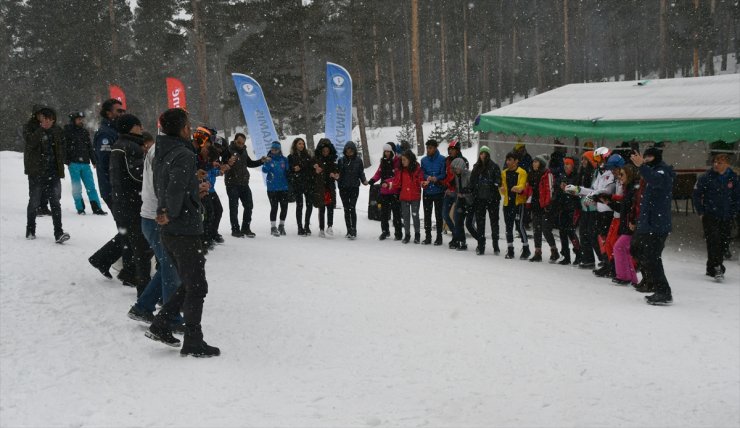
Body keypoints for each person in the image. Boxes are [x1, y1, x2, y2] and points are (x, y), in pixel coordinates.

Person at [146, 108, 219, 357]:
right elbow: (173, 189)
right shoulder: (184, 154)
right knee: (197, 286)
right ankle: (193, 341)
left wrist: (190, 194)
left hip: (171, 229)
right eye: (189, 125)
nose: (191, 129)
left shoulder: (162, 151)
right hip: (183, 229)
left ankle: (161, 323)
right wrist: (170, 209)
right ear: (184, 128)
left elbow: (165, 186)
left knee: (189, 284)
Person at [127, 132, 184, 332]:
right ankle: (171, 318)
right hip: (156, 218)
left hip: (152, 217)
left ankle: (143, 307)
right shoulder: (160, 152)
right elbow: (162, 187)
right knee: (171, 267)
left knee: (169, 265)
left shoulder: (158, 150)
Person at [88, 99, 134, 283]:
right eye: (118, 110)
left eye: (124, 110)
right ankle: (130, 273)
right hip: (114, 190)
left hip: (122, 190)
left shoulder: (117, 131)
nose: (122, 113)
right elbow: (108, 166)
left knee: (129, 230)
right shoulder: (105, 134)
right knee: (129, 230)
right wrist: (116, 190)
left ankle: (102, 259)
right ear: (108, 113)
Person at [109, 114, 152, 296]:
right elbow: (138, 175)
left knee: (135, 245)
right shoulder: (130, 146)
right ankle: (144, 291)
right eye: (137, 125)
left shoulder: (119, 145)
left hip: (122, 202)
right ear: (130, 127)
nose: (141, 127)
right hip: (133, 203)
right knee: (142, 249)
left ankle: (130, 275)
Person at [630, 147, 675, 306]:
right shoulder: (650, 172)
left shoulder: (663, 172)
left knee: (652, 257)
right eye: (645, 156)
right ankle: (653, 283)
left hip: (657, 225)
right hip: (647, 223)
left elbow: (656, 180)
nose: (646, 159)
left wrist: (642, 166)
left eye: (649, 156)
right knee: (637, 250)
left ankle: (663, 291)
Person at [23, 105, 69, 243]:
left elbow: (63, 148)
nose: (47, 121)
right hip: (36, 172)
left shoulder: (58, 131)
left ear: (54, 120)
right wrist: (40, 130)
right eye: (44, 118)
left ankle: (58, 233)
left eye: (50, 119)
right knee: (34, 201)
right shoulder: (30, 128)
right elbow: (30, 143)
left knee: (55, 202)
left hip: (53, 172)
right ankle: (30, 229)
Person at [692, 153, 740, 281]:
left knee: (723, 242)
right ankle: (718, 267)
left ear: (727, 164)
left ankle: (710, 267)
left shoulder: (733, 178)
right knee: (713, 241)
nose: (716, 165)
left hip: (726, 216)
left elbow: (737, 197)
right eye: (715, 162)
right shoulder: (707, 177)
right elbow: (696, 195)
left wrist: (734, 212)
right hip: (710, 215)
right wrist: (701, 212)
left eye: (720, 163)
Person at [63, 111, 106, 215]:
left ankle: (97, 208)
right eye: (78, 119)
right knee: (77, 188)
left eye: (81, 119)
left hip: (86, 163)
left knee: (91, 187)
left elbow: (89, 147)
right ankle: (80, 208)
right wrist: (67, 161)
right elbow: (63, 147)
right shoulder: (67, 131)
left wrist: (94, 160)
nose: (81, 120)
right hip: (74, 164)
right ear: (73, 120)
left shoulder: (84, 131)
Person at [223, 133, 266, 238]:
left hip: (244, 183)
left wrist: (261, 161)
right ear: (234, 140)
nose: (241, 145)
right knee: (234, 207)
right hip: (232, 183)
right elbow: (222, 163)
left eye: (243, 143)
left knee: (249, 205)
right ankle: (235, 229)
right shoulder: (228, 150)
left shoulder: (244, 151)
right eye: (239, 142)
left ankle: (245, 228)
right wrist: (227, 162)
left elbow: (249, 163)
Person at [605, 164, 641, 286]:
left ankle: (624, 276)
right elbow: (623, 208)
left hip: (631, 226)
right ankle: (631, 277)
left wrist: (633, 221)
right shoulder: (628, 189)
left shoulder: (633, 190)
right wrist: (609, 203)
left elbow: (634, 208)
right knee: (623, 249)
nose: (619, 177)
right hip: (627, 224)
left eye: (622, 174)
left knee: (619, 247)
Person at [469, 146, 501, 255]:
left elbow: (498, 180)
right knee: (480, 223)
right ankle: (481, 245)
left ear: (488, 154)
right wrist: (471, 191)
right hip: (480, 199)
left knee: (494, 222)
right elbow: (472, 182)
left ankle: (495, 245)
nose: (483, 155)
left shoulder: (494, 166)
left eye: (485, 153)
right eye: (481, 153)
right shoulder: (476, 167)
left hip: (493, 199)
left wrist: (493, 184)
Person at [526, 154, 558, 262]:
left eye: (536, 161)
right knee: (536, 230)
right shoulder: (531, 174)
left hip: (544, 206)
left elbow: (550, 190)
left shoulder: (547, 174)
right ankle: (537, 252)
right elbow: (529, 189)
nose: (534, 163)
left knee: (545, 230)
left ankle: (554, 250)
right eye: (533, 162)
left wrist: (547, 204)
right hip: (535, 205)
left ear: (541, 163)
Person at [369, 143, 403, 241]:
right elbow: (378, 173)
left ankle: (398, 233)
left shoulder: (397, 162)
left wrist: (387, 182)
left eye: (388, 151)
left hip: (394, 191)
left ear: (392, 152)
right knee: (384, 214)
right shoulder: (383, 161)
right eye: (385, 151)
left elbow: (397, 177)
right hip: (384, 192)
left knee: (396, 214)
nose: (387, 153)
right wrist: (372, 180)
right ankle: (385, 231)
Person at [390, 150, 425, 244]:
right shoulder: (401, 170)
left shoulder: (417, 169)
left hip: (415, 196)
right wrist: (389, 184)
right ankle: (407, 235)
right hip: (404, 197)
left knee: (415, 215)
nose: (403, 162)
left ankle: (417, 235)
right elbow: (397, 183)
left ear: (410, 159)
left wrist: (423, 183)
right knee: (406, 217)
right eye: (402, 160)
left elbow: (421, 180)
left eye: (404, 160)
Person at [499, 152, 530, 259]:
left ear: (516, 161)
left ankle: (526, 248)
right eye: (507, 160)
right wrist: (502, 190)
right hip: (507, 204)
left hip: (518, 204)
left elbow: (522, 186)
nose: (508, 162)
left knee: (519, 226)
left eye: (510, 160)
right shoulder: (504, 173)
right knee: (508, 226)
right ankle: (510, 249)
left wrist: (518, 188)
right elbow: (503, 190)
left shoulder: (522, 172)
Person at [337, 141, 368, 239]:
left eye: (351, 150)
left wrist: (364, 180)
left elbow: (361, 172)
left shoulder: (358, 160)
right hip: (343, 188)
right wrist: (337, 177)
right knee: (346, 209)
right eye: (347, 150)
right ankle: (348, 230)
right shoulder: (341, 160)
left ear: (354, 150)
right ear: (345, 150)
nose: (349, 152)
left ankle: (354, 230)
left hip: (354, 187)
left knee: (352, 208)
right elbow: (338, 174)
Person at [553, 157, 582, 265]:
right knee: (562, 232)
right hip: (563, 207)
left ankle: (579, 254)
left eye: (568, 164)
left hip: (573, 208)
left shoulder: (576, 177)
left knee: (571, 232)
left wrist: (567, 189)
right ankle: (566, 255)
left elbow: (578, 192)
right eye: (565, 164)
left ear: (573, 166)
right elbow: (556, 189)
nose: (566, 166)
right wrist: (559, 188)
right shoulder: (562, 176)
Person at [440, 140, 468, 248]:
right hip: (448, 192)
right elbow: (445, 175)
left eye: (453, 149)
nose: (450, 151)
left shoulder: (463, 161)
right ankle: (456, 236)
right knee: (445, 215)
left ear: (458, 150)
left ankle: (458, 239)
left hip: (457, 193)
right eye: (449, 149)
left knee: (457, 218)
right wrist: (445, 185)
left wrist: (451, 186)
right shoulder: (446, 160)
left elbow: (462, 177)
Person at [420, 139, 447, 245]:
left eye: (430, 148)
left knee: (438, 215)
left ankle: (439, 238)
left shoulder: (442, 159)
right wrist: (427, 177)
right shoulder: (423, 160)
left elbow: (444, 174)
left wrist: (437, 178)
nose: (428, 150)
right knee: (427, 215)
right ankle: (428, 237)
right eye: (427, 148)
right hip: (427, 191)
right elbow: (422, 173)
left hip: (438, 191)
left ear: (435, 148)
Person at [287, 137, 315, 236]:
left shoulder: (308, 155)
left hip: (308, 183)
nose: (302, 145)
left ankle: (307, 225)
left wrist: (311, 167)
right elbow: (288, 170)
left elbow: (311, 167)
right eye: (299, 143)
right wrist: (293, 169)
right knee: (299, 206)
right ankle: (300, 227)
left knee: (309, 205)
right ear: (295, 145)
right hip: (297, 184)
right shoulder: (290, 156)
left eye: (303, 143)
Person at [312, 138, 339, 237]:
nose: (325, 153)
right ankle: (321, 229)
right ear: (320, 151)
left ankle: (330, 226)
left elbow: (338, 175)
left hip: (330, 188)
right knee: (321, 208)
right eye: (323, 151)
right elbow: (310, 173)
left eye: (327, 151)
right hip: (320, 188)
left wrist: (335, 175)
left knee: (330, 208)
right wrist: (315, 171)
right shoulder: (315, 160)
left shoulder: (333, 161)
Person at [262, 141, 290, 236]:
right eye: (273, 149)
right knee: (274, 207)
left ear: (279, 150)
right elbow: (264, 170)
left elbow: (288, 171)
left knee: (284, 207)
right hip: (272, 188)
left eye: (276, 149)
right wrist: (267, 162)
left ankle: (281, 225)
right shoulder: (269, 159)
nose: (274, 151)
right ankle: (273, 227)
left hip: (283, 187)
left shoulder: (284, 159)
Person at [451, 157, 475, 251]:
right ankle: (462, 242)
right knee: (457, 220)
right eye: (454, 169)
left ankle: (480, 240)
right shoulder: (457, 176)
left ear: (461, 167)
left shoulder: (469, 175)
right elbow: (457, 188)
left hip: (470, 202)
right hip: (460, 201)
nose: (456, 170)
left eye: (457, 168)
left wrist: (465, 193)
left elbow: (473, 189)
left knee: (469, 224)